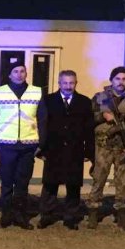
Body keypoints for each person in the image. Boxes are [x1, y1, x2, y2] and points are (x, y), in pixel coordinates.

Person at [86, 66, 125, 231]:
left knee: (123, 182)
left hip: (123, 147)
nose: (121, 82)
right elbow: (89, 118)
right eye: (118, 79)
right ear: (112, 80)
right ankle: (93, 212)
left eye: (124, 79)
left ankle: (122, 215)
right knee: (99, 179)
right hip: (103, 145)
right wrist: (102, 116)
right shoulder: (101, 97)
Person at [36, 70, 94, 230]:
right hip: (53, 150)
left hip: (75, 150)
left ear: (76, 83)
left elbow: (89, 129)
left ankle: (71, 217)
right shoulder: (48, 101)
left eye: (71, 83)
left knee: (73, 186)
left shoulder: (84, 102)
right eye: (65, 83)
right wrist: (41, 150)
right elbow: (42, 126)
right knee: (49, 185)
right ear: (59, 83)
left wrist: (88, 151)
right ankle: (46, 216)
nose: (68, 86)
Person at [0, 60, 43, 228]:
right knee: (6, 184)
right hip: (6, 146)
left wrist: (40, 145)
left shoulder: (36, 92)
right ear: (9, 75)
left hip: (28, 147)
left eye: (22, 71)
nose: (19, 74)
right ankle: (6, 216)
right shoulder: (0, 92)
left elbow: (43, 119)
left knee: (22, 184)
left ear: (26, 73)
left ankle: (20, 216)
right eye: (15, 71)